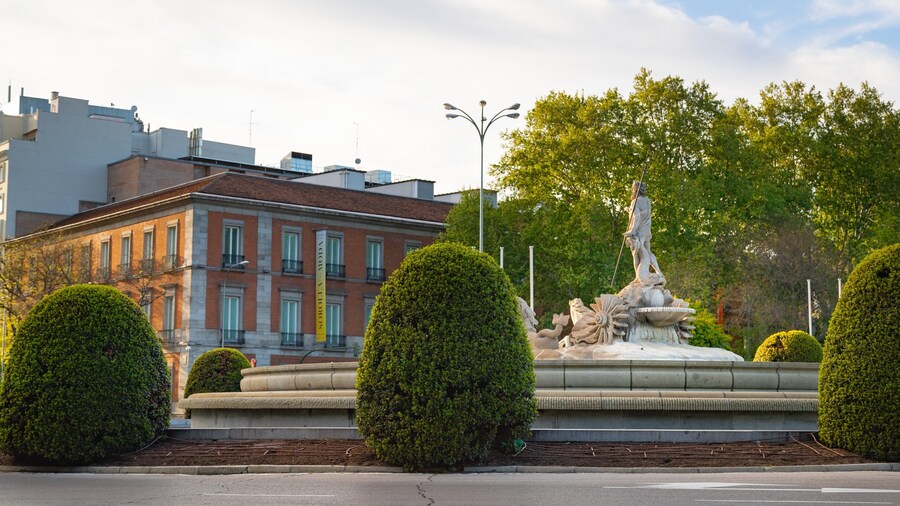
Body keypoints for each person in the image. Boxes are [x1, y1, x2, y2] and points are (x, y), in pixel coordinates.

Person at [623, 180, 663, 284]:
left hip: (639, 232)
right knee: (648, 253)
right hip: (647, 231)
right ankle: (658, 272)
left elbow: (637, 218)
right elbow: (645, 212)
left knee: (636, 254)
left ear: (635, 189)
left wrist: (631, 231)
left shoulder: (635, 202)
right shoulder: (647, 200)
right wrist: (629, 210)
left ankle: (638, 278)